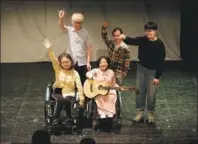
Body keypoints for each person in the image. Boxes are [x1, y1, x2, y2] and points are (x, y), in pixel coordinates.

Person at [119, 21, 166, 123]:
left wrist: (157, 76)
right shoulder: (143, 40)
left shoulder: (159, 44)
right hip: (141, 69)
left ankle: (150, 113)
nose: (148, 33)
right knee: (139, 91)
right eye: (146, 31)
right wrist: (124, 37)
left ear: (155, 31)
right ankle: (139, 113)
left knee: (151, 93)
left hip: (153, 71)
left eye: (150, 31)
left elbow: (161, 61)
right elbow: (132, 40)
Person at [43, 38, 84, 125]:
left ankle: (59, 117)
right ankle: (61, 117)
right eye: (63, 62)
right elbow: (53, 60)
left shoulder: (75, 73)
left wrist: (82, 99)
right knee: (61, 99)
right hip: (58, 91)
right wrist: (49, 49)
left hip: (70, 93)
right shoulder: (58, 69)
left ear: (71, 61)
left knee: (65, 100)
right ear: (60, 63)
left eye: (67, 62)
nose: (65, 64)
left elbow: (79, 86)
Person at [58, 9, 92, 85]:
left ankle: (82, 95)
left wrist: (88, 62)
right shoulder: (69, 30)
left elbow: (89, 47)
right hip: (70, 60)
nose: (77, 24)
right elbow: (61, 26)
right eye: (75, 22)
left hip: (82, 60)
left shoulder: (85, 33)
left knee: (82, 80)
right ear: (72, 22)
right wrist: (61, 18)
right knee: (70, 80)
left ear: (82, 23)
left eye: (79, 23)